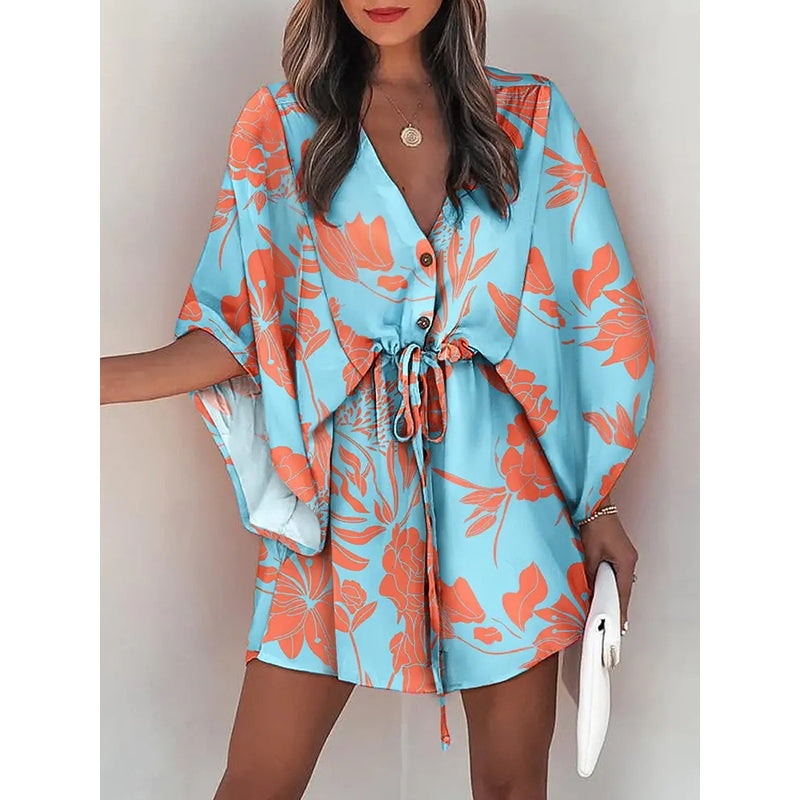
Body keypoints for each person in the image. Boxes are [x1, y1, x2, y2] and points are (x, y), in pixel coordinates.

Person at [101, 1, 655, 798]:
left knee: (511, 788)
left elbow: (592, 318)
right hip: (343, 501)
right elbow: (242, 327)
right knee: (256, 783)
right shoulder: (281, 129)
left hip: (505, 503)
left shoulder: (532, 118)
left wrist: (596, 501)